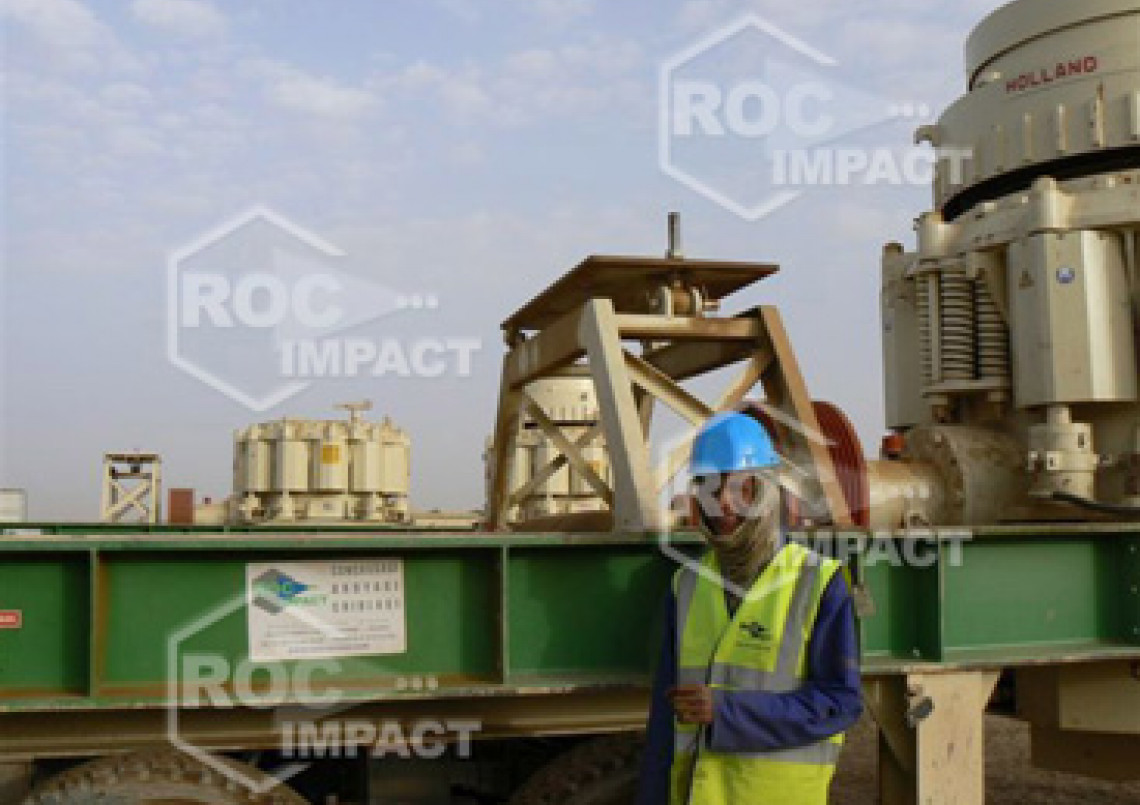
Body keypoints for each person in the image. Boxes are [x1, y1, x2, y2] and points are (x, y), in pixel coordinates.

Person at [636, 411, 862, 805]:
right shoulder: (685, 586)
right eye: (709, 487)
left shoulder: (819, 583)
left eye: (742, 488)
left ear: (767, 490)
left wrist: (727, 712)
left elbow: (840, 703)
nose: (723, 503)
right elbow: (664, 726)